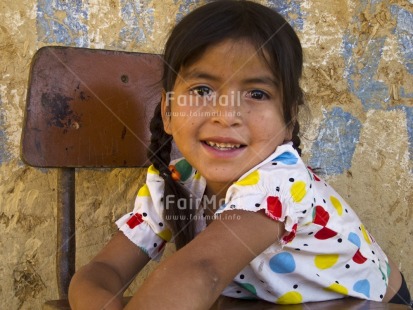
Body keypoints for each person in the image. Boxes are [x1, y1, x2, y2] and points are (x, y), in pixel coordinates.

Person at [68, 1, 411, 309]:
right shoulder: (174, 179)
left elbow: (203, 271)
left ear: (288, 120)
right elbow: (104, 270)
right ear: (168, 112)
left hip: (368, 302)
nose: (227, 114)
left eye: (257, 94)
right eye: (202, 90)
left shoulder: (278, 181)